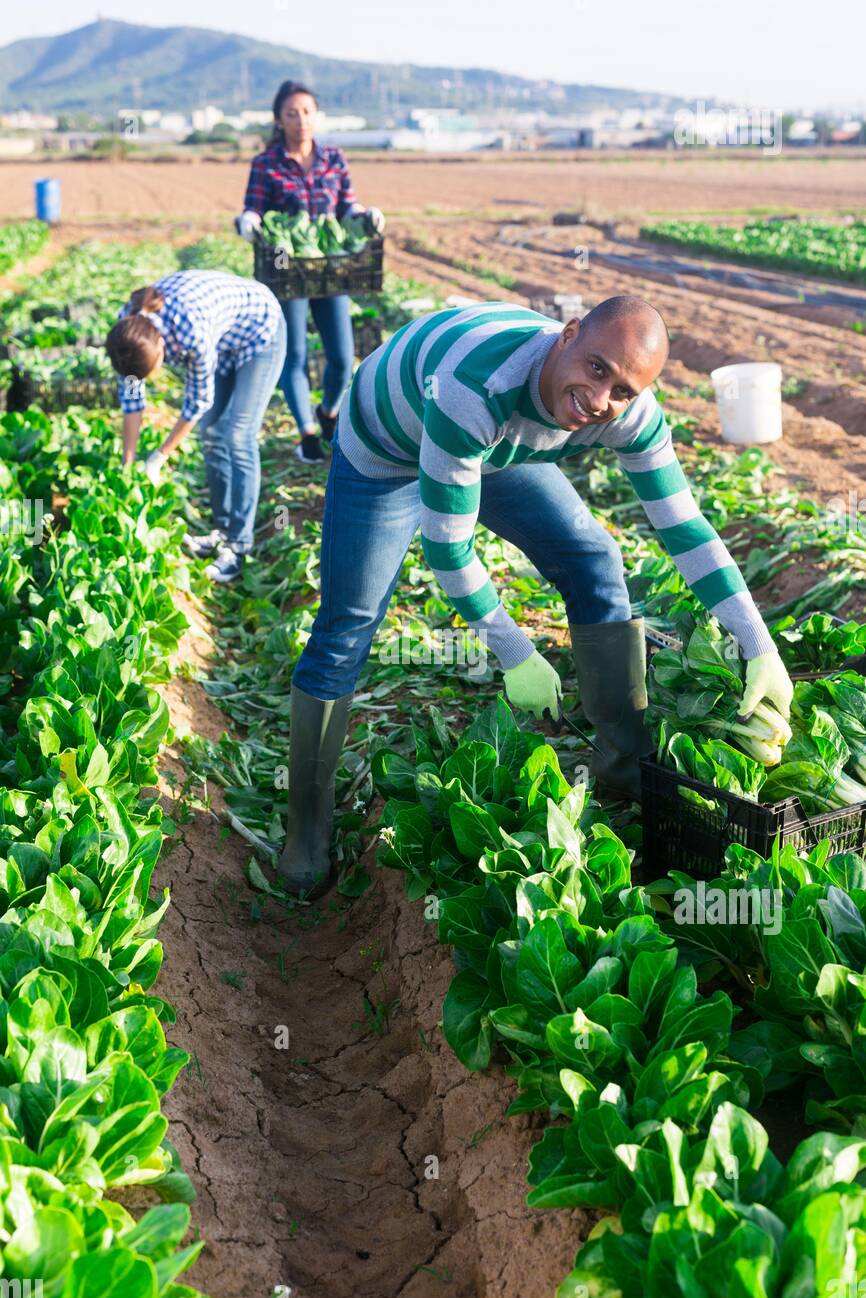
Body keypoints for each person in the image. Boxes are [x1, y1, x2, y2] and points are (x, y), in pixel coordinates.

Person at [275, 294, 794, 894]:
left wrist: (759, 642)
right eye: (597, 368)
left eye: (623, 390)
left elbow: (684, 527)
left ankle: (623, 773)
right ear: (568, 334)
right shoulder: (477, 385)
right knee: (349, 625)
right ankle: (306, 827)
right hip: (388, 447)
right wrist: (513, 649)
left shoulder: (627, 412)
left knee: (594, 558)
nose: (602, 399)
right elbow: (447, 546)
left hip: (488, 448)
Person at [237, 80, 386, 465]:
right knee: (295, 356)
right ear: (279, 119)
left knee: (342, 355)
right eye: (291, 113)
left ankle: (329, 413)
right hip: (287, 271)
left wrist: (365, 216)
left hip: (330, 269)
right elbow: (254, 207)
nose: (300, 120)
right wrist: (248, 221)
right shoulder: (266, 163)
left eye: (306, 112)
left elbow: (347, 206)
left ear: (316, 116)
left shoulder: (333, 158)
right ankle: (307, 434)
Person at [106, 269, 286, 583]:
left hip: (260, 332)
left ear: (161, 345)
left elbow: (197, 403)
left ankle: (238, 545)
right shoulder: (128, 331)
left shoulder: (191, 330)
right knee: (212, 434)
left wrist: (159, 457)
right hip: (225, 337)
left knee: (238, 434)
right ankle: (222, 528)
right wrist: (128, 463)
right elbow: (132, 398)